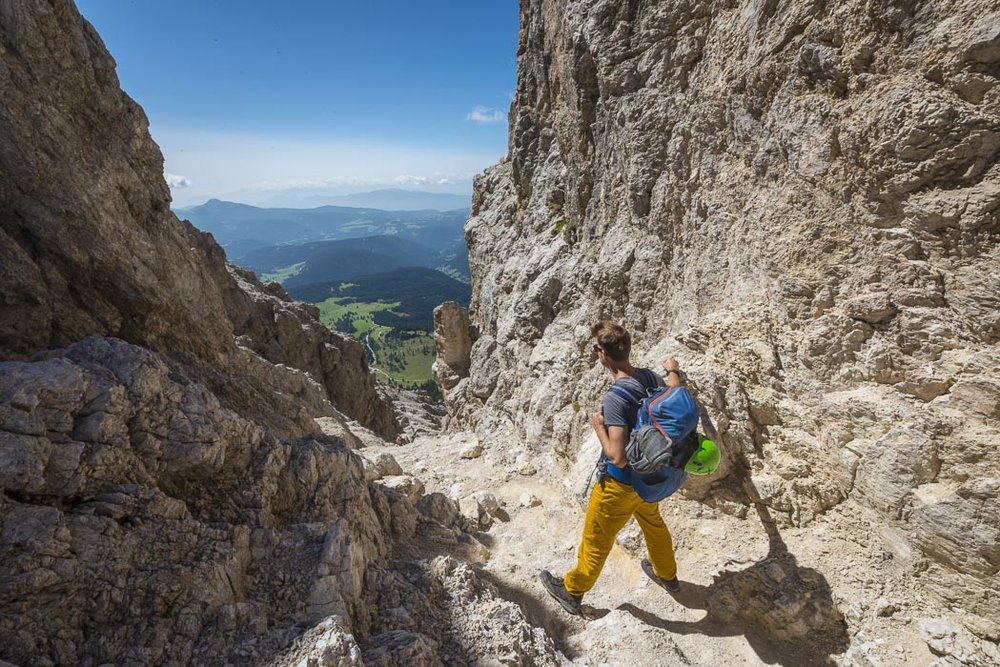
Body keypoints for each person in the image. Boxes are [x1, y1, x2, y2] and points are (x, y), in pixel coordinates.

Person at [540, 321, 685, 615]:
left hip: (619, 485)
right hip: (649, 479)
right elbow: (673, 393)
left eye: (597, 350)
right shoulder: (648, 376)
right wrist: (672, 370)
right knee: (654, 525)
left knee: (597, 538)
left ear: (603, 353)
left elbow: (616, 455)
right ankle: (667, 576)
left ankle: (572, 591)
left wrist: (598, 428)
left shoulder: (616, 396)